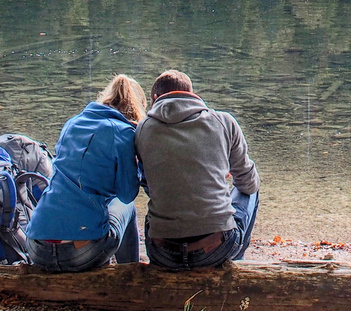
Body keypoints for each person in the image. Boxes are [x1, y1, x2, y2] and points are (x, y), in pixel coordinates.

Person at [136, 69, 259, 269]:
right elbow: (248, 182)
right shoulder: (224, 121)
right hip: (216, 248)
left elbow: (150, 184)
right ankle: (235, 262)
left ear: (155, 99)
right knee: (250, 188)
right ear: (192, 94)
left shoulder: (142, 129)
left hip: (163, 252)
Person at [25, 74, 145, 271]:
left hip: (37, 247)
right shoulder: (124, 133)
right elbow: (126, 194)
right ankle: (131, 274)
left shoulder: (72, 123)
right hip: (78, 254)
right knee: (128, 207)